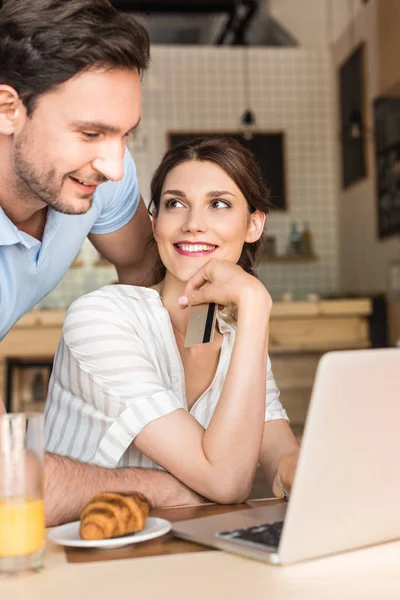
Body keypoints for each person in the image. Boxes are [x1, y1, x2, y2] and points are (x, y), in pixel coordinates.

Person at [0, 0, 205, 525]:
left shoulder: (96, 177)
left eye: (125, 134)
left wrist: (212, 335)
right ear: (7, 107)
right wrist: (153, 487)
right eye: (91, 134)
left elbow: (149, 272)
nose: (115, 165)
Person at [45, 137, 300, 505]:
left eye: (218, 204)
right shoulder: (102, 317)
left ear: (253, 225)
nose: (193, 224)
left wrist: (319, 464)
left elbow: (281, 461)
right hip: (82, 552)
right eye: (175, 204)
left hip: (179, 552)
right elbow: (227, 483)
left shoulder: (235, 337)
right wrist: (256, 302)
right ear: (155, 222)